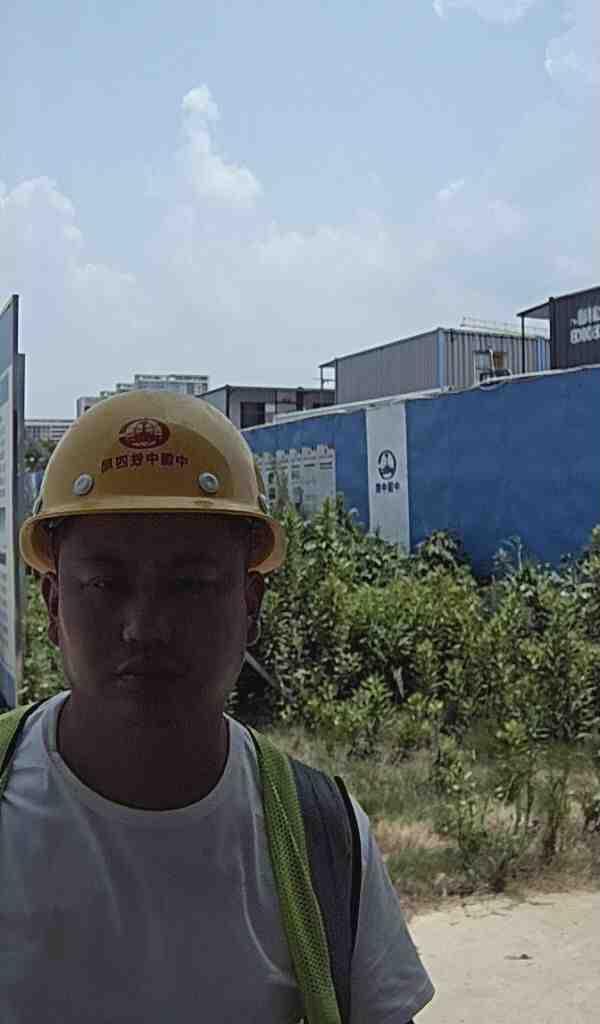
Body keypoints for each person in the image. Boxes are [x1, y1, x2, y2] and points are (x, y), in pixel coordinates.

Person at [0, 391, 435, 1023]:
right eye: (104, 583)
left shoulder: (322, 836)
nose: (144, 627)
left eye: (189, 584)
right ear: (52, 602)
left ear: (250, 604)